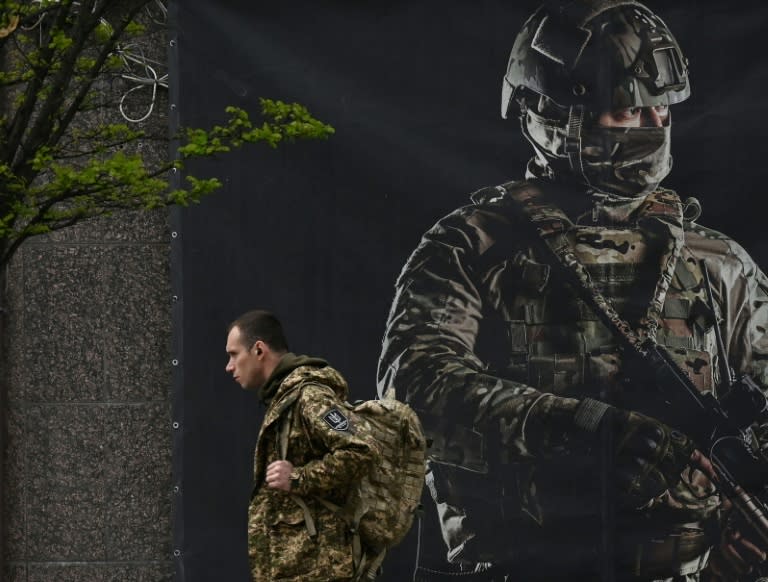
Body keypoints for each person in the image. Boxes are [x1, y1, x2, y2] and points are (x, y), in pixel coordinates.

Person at [377, 2, 768, 581]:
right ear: (553, 114)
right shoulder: (474, 245)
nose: (654, 126)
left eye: (660, 108)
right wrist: (587, 428)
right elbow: (412, 394)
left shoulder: (715, 262)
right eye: (626, 110)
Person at [226, 309, 380, 582]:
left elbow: (361, 451)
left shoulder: (309, 396)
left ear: (259, 349)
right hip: (299, 569)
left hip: (319, 570)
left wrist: (297, 477)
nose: (229, 366)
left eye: (234, 354)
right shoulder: (283, 397)